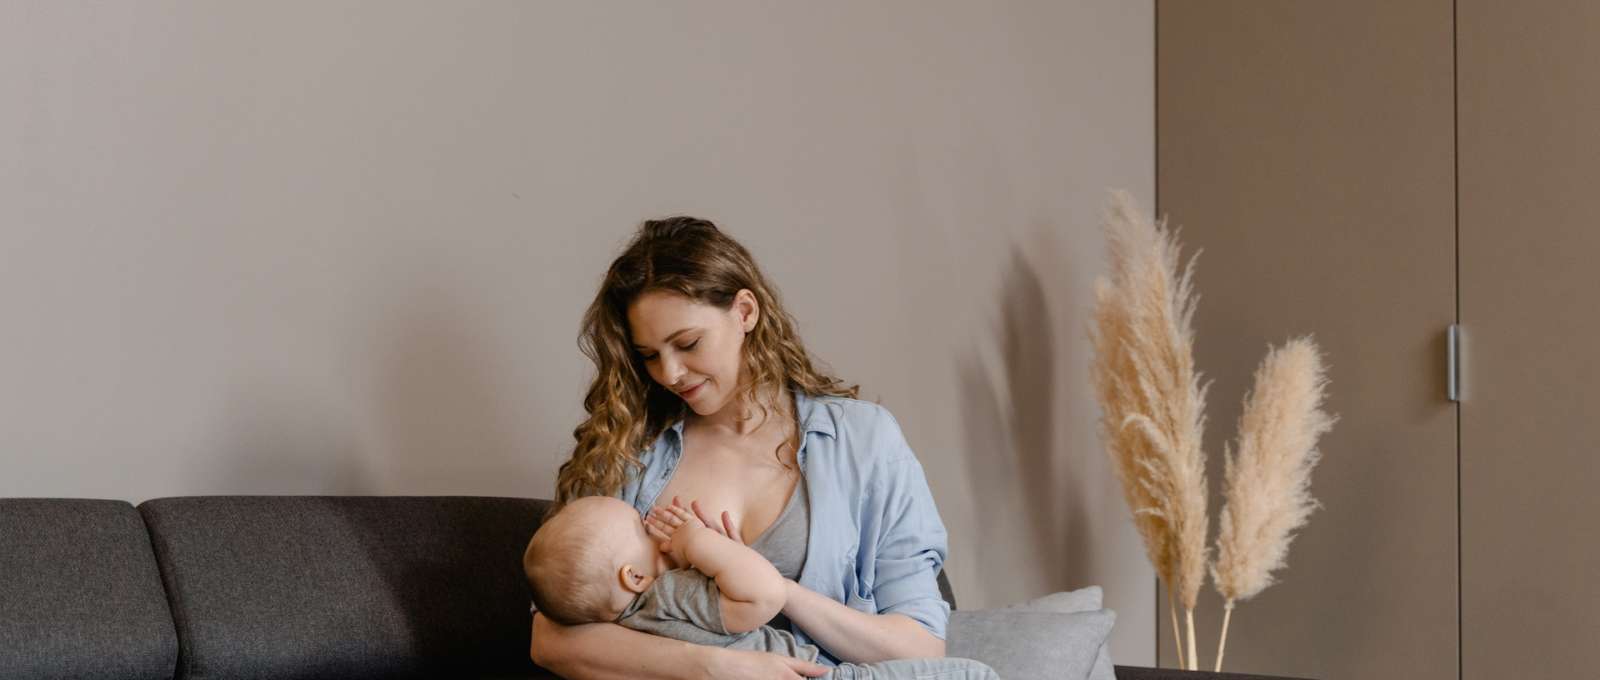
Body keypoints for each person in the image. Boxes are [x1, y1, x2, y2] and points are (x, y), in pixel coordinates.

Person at [530, 216, 952, 680]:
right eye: (649, 355)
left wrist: (777, 590)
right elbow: (550, 640)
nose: (669, 373)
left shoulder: (864, 441)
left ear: (745, 312)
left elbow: (920, 649)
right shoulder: (627, 447)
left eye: (687, 343)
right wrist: (720, 667)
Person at [523, 496, 995, 679]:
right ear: (634, 578)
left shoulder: (632, 623)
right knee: (976, 677)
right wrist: (701, 543)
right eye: (641, 526)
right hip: (815, 676)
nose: (653, 523)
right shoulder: (667, 596)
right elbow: (764, 595)